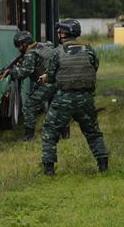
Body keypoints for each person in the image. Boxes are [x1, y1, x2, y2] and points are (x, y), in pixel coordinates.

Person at [37, 19, 109, 175]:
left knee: (50, 131)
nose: (58, 34)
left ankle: (49, 170)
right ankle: (103, 165)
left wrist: (46, 78)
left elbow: (51, 74)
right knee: (93, 132)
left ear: (63, 33)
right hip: (86, 98)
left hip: (64, 99)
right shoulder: (89, 49)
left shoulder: (57, 51)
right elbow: (94, 67)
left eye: (59, 31)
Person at [0, 31, 56, 141]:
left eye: (18, 45)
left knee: (29, 107)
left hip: (47, 83)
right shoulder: (43, 46)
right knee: (58, 108)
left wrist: (10, 71)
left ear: (24, 44)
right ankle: (65, 133)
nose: (18, 48)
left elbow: (23, 73)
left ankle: (29, 137)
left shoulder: (31, 54)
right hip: (57, 80)